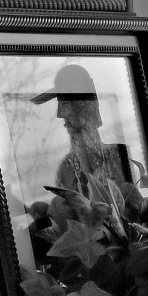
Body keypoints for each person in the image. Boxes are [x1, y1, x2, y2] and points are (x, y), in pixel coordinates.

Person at [31, 64, 130, 197]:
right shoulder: (66, 168)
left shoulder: (118, 155)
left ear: (89, 105)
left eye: (66, 103)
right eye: (62, 103)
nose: (60, 113)